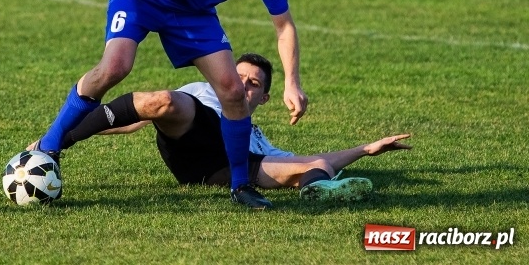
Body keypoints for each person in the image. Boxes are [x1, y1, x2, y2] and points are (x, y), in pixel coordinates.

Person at [31, 0, 308, 210]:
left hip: (192, 13)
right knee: (115, 67)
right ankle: (49, 147)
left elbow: (284, 25)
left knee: (232, 91)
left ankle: (240, 185)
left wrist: (292, 82)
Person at [61, 53, 412, 202]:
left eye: (254, 84)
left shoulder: (257, 137)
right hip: (191, 135)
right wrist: (63, 136)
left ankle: (318, 193)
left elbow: (315, 157)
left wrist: (366, 149)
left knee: (315, 166)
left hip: (227, 166)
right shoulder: (199, 93)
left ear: (264, 98)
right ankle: (54, 145)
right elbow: (133, 119)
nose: (244, 86)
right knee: (164, 101)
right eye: (238, 77)